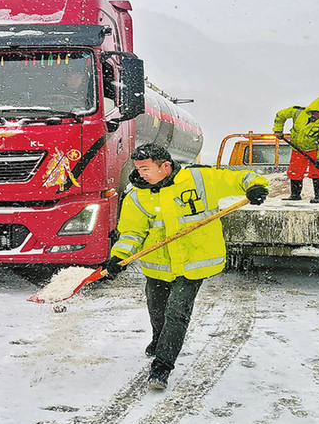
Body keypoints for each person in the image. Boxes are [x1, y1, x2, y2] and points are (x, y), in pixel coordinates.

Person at [105, 143, 269, 390]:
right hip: (158, 264)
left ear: (166, 166)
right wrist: (119, 256)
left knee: (177, 312)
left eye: (146, 168)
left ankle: (161, 367)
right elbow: (131, 233)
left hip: (194, 262)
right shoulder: (137, 195)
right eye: (138, 169)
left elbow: (242, 177)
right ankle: (159, 340)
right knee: (157, 309)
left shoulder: (200, 179)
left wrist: (255, 187)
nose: (141, 174)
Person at [272, 96, 319, 204]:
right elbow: (280, 115)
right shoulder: (297, 112)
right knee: (295, 171)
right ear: (314, 111)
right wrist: (278, 130)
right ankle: (295, 195)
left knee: (317, 172)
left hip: (315, 149)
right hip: (298, 148)